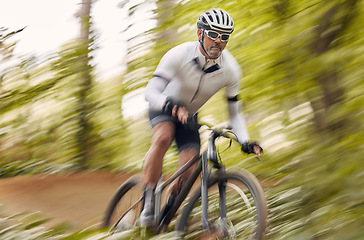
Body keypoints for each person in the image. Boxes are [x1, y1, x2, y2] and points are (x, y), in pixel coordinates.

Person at [140, 8, 263, 227]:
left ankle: (167, 214)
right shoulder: (179, 54)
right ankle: (148, 201)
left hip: (189, 116)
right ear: (200, 33)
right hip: (163, 104)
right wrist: (170, 104)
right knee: (163, 137)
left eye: (224, 37)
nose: (218, 41)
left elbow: (235, 112)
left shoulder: (231, 70)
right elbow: (150, 92)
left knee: (189, 168)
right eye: (213, 34)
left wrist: (245, 140)